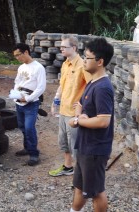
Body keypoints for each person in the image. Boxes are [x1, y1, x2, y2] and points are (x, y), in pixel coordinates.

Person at [69, 38, 115, 212]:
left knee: (96, 192)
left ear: (100, 61)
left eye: (87, 57)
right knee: (80, 186)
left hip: (95, 149)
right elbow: (79, 105)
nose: (83, 61)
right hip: (84, 146)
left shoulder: (103, 88)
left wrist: (79, 120)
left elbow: (103, 121)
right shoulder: (91, 82)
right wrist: (79, 116)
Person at [49, 35, 90, 177]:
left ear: (74, 48)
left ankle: (81, 173)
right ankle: (68, 167)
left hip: (74, 113)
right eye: (61, 47)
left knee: (76, 144)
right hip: (63, 110)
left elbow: (91, 86)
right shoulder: (65, 63)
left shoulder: (82, 65)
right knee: (64, 141)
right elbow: (62, 85)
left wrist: (83, 103)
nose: (61, 49)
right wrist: (55, 100)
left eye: (64, 47)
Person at [11, 43, 47, 166]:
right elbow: (17, 82)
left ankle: (34, 154)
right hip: (19, 101)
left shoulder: (38, 67)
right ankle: (27, 148)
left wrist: (29, 98)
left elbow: (41, 87)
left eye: (18, 55)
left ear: (26, 52)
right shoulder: (21, 68)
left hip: (31, 103)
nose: (17, 58)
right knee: (22, 126)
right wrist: (15, 95)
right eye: (15, 56)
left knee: (29, 127)